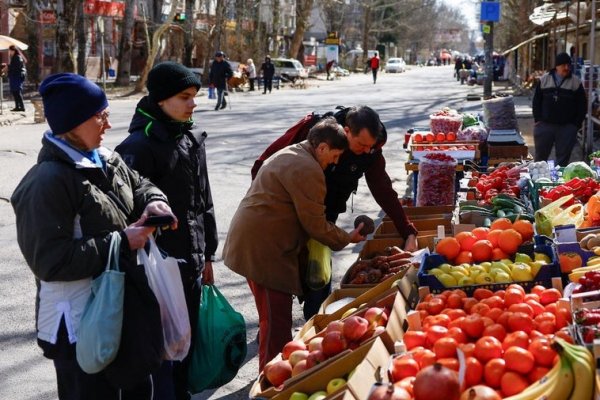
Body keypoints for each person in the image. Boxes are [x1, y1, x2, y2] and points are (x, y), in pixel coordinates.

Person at [11, 73, 177, 400]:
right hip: (77, 324)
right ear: (72, 124)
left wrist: (155, 200)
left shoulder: (105, 158)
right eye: (100, 116)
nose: (108, 125)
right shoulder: (47, 182)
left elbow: (139, 184)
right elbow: (50, 262)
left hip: (119, 310)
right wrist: (122, 242)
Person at [222, 118, 366, 372]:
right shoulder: (307, 168)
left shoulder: (295, 151)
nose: (334, 162)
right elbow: (315, 225)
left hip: (261, 242)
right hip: (263, 249)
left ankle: (276, 376)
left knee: (274, 319)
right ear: (321, 147)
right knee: (276, 324)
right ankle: (272, 383)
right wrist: (347, 238)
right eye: (334, 156)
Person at [251, 106, 418, 320]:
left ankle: (315, 326)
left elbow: (382, 188)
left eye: (371, 146)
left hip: (322, 221)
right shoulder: (316, 133)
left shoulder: (371, 148)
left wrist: (408, 230)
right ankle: (274, 328)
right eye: (362, 145)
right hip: (286, 222)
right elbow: (261, 165)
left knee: (317, 281)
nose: (367, 151)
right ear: (346, 131)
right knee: (280, 288)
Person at [115, 61, 218, 400]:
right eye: (185, 97)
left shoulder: (190, 137)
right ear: (161, 100)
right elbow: (124, 215)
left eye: (194, 96)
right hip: (157, 271)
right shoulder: (137, 147)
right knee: (160, 357)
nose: (193, 104)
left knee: (184, 346)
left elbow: (204, 202)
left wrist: (208, 255)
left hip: (191, 261)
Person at [532, 52, 587, 166]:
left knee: (562, 160)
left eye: (568, 65)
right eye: (563, 65)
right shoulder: (544, 80)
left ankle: (558, 183)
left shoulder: (575, 82)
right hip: (545, 126)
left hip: (567, 127)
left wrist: (575, 125)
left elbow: (582, 105)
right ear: (557, 66)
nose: (566, 68)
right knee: (540, 159)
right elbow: (536, 101)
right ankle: (538, 181)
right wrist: (538, 120)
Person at [7, 45, 27, 111]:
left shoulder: (17, 57)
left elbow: (17, 67)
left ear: (14, 51)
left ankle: (22, 107)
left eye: (10, 51)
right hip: (14, 76)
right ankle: (17, 107)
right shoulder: (14, 57)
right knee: (14, 92)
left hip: (17, 76)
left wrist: (9, 66)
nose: (9, 52)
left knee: (17, 92)